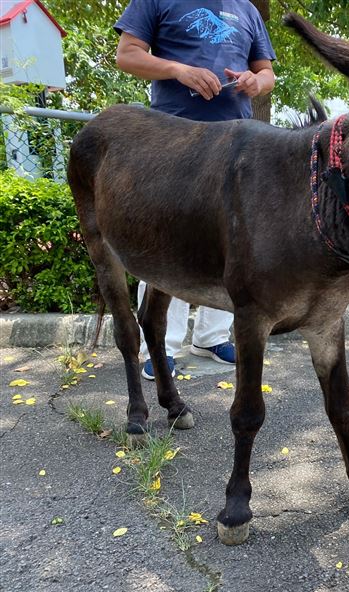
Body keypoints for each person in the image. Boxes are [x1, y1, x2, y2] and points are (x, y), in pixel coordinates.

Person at [114, 0, 276, 379]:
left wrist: (256, 82)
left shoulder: (248, 10)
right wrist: (178, 70)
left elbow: (266, 72)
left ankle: (211, 337)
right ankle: (160, 345)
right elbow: (127, 55)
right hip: (172, 138)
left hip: (237, 143)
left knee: (232, 241)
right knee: (164, 239)